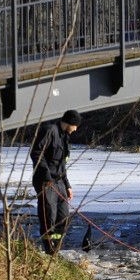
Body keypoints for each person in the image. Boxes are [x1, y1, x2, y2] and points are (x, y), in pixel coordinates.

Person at [30, 109, 82, 254]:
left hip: (59, 182)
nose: (76, 129)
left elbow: (61, 164)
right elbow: (36, 153)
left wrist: (67, 185)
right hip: (45, 181)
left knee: (63, 216)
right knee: (49, 215)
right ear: (70, 123)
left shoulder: (64, 137)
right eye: (75, 126)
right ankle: (49, 249)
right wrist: (46, 177)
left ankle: (57, 247)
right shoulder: (49, 130)